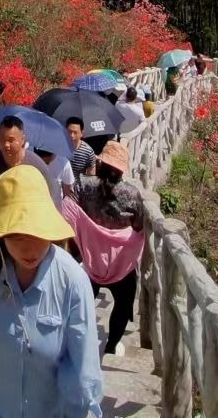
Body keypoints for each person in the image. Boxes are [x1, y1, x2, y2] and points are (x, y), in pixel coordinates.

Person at [0, 165, 103, 418]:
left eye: (37, 234)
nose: (30, 248)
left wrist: (85, 408)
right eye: (18, 237)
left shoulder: (72, 280)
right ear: (2, 235)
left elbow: (83, 363)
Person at [71, 141, 148, 356]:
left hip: (90, 257)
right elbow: (139, 224)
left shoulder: (84, 185)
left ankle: (77, 340)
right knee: (123, 305)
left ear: (100, 163)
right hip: (121, 262)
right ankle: (111, 345)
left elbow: (72, 210)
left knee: (83, 300)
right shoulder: (131, 194)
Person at [0, 115, 49, 219]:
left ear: (22, 140)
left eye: (11, 140)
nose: (6, 145)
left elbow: (50, 199)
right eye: (2, 139)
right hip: (1, 221)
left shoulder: (36, 165)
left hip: (30, 220)